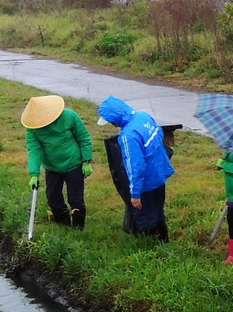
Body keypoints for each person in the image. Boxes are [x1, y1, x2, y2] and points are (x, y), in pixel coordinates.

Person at [97, 96, 175, 241]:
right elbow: (160, 134)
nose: (112, 124)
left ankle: (150, 249)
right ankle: (165, 241)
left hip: (147, 182)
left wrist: (135, 194)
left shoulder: (127, 136)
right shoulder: (143, 116)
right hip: (160, 173)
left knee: (145, 217)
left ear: (115, 118)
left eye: (110, 121)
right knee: (158, 210)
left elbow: (136, 166)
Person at [20, 94, 93, 229]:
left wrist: (86, 160)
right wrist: (34, 174)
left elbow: (84, 138)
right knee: (53, 200)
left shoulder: (70, 116)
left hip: (73, 163)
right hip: (52, 167)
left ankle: (78, 229)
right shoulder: (33, 129)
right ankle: (63, 225)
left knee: (75, 199)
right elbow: (34, 151)